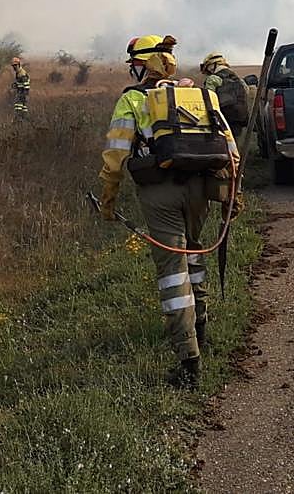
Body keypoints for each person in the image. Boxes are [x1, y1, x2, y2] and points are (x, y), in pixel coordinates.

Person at [97, 35, 241, 389]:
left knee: (172, 273)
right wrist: (234, 196)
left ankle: (188, 362)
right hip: (200, 190)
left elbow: (116, 155)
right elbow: (230, 148)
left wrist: (109, 199)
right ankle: (200, 332)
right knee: (193, 256)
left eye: (134, 62)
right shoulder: (196, 95)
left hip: (159, 194)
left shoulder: (131, 100)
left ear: (144, 63)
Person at [199, 51, 254, 129]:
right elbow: (247, 93)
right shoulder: (239, 80)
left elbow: (209, 99)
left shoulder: (213, 79)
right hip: (241, 120)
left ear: (213, 65)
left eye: (208, 67)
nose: (209, 70)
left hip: (223, 122)